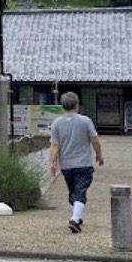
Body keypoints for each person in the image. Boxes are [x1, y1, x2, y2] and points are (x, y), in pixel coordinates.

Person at [48, 91, 104, 233]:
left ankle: (77, 217)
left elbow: (55, 145)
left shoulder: (57, 123)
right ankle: (74, 219)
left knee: (73, 191)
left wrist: (52, 162)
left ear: (62, 105)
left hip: (66, 165)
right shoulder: (85, 121)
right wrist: (99, 155)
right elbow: (95, 139)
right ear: (77, 104)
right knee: (80, 191)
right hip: (84, 163)